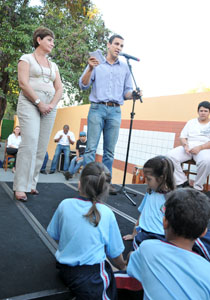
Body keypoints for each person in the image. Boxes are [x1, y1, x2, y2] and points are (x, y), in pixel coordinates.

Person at [47, 162, 126, 299]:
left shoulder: (64, 204)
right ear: (105, 189)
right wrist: (123, 267)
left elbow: (55, 234)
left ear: (79, 184)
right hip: (92, 276)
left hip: (65, 269)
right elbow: (115, 253)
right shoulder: (106, 213)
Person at [79, 34, 141, 194]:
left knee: (109, 151)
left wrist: (133, 94)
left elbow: (126, 92)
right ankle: (87, 183)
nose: (119, 48)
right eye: (116, 44)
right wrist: (91, 68)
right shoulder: (96, 63)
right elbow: (83, 85)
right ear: (108, 45)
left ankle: (106, 184)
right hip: (97, 109)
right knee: (91, 149)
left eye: (121, 45)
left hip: (115, 111)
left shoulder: (125, 67)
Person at [127, 188, 210, 299]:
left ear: (164, 222)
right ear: (204, 232)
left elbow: (132, 267)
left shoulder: (147, 248)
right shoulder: (207, 270)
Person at [13, 27, 63, 202]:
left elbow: (59, 88)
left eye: (53, 41)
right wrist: (39, 103)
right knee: (30, 142)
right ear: (39, 39)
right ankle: (20, 186)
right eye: (49, 39)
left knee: (41, 147)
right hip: (30, 103)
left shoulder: (53, 65)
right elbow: (23, 83)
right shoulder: (26, 59)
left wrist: (51, 104)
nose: (52, 43)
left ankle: (32, 184)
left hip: (49, 107)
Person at [123, 156, 175, 249]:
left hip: (161, 236)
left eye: (149, 179)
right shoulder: (150, 192)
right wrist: (134, 233)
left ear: (161, 178)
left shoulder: (172, 197)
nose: (145, 181)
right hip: (144, 233)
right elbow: (143, 212)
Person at [167, 101, 210, 191]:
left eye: (205, 111)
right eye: (201, 110)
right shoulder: (191, 122)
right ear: (198, 111)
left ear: (209, 112)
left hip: (204, 149)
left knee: (206, 161)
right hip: (188, 147)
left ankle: (197, 187)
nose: (203, 113)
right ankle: (182, 182)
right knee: (170, 156)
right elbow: (183, 136)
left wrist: (200, 148)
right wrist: (185, 145)